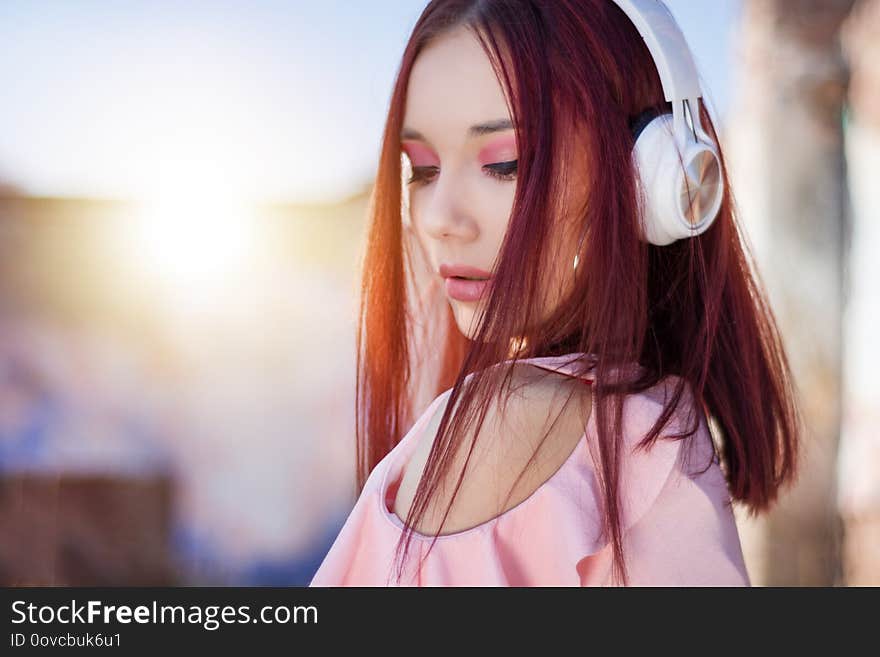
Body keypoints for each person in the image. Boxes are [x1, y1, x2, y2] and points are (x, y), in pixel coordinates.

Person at [309, 0, 800, 586]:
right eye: (421, 169)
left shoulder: (512, 419)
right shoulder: (665, 422)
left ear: (649, 173)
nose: (440, 218)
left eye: (505, 163)